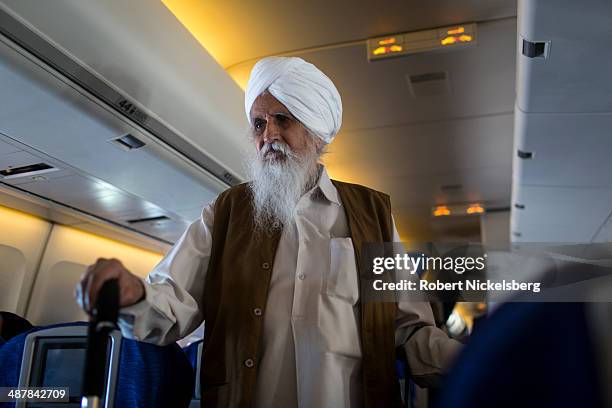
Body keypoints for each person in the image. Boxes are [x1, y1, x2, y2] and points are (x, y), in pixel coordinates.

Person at [76, 56, 462, 408]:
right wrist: (133, 294)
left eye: (284, 119)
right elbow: (170, 305)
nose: (269, 135)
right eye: (259, 124)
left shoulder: (371, 213)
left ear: (317, 133)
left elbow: (409, 331)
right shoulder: (226, 213)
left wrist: (473, 359)